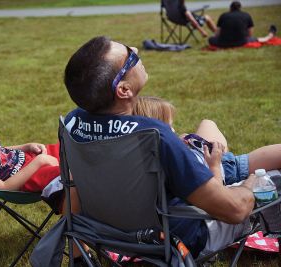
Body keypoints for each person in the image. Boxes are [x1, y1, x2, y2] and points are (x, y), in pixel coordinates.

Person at [63, 35, 264, 258]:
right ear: (124, 90)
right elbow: (234, 210)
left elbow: (74, 187)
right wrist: (250, 186)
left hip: (109, 236)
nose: (136, 48)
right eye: (130, 56)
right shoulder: (154, 136)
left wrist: (77, 250)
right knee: (270, 181)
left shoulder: (72, 124)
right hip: (178, 240)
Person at [133, 96, 281, 186]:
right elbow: (217, 192)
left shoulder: (142, 158)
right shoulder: (178, 166)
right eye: (170, 127)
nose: (173, 131)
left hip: (212, 160)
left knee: (207, 123)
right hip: (229, 169)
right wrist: (215, 164)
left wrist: (182, 141)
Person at [208, 1, 277, 48]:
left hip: (223, 43)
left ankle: (269, 35)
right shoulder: (246, 15)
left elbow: (218, 33)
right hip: (241, 42)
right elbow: (250, 34)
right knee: (261, 39)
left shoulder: (223, 15)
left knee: (211, 39)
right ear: (240, 8)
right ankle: (270, 35)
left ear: (230, 8)